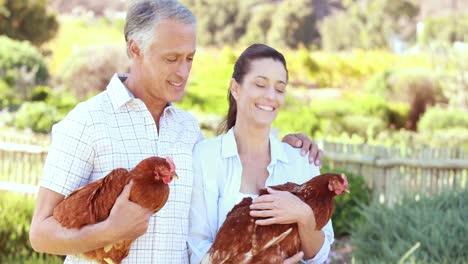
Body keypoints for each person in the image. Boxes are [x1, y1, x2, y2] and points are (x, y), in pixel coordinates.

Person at [29, 1, 323, 264]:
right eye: (172, 59)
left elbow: (229, 168)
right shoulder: (87, 121)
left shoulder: (187, 129)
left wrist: (285, 146)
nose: (183, 72)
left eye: (189, 58)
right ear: (136, 49)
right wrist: (108, 231)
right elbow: (40, 234)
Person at [188, 44, 334, 264]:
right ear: (235, 89)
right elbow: (198, 248)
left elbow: (321, 255)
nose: (270, 96)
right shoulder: (206, 156)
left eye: (279, 88)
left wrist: (303, 216)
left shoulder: (301, 160)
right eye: (260, 84)